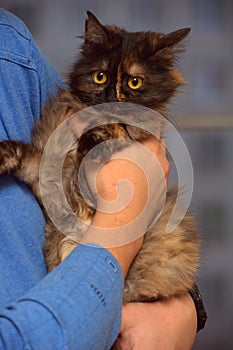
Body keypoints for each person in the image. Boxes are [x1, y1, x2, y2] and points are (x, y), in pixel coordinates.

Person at [0, 8, 199, 349]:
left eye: (133, 83)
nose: (115, 97)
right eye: (102, 79)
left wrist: (188, 309)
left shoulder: (12, 49)